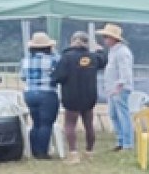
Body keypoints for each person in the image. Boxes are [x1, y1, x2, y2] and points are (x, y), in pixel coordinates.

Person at [52, 32, 102, 160]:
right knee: (89, 124)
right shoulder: (93, 57)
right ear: (87, 43)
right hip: (89, 96)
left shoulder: (66, 58)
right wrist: (99, 50)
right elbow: (103, 60)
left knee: (70, 124)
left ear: (71, 42)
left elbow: (58, 77)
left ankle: (73, 153)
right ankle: (89, 152)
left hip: (71, 96)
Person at [20, 31, 60, 159]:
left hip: (30, 93)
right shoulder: (53, 59)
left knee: (36, 123)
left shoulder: (26, 60)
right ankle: (42, 152)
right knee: (46, 123)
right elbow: (60, 71)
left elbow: (23, 77)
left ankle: (34, 150)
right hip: (47, 92)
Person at [100, 23, 135, 151]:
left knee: (122, 115)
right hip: (113, 89)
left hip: (119, 88)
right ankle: (121, 140)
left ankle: (127, 143)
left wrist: (119, 85)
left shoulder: (122, 52)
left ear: (114, 38)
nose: (104, 40)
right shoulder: (113, 52)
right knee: (114, 115)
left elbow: (125, 71)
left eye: (106, 37)